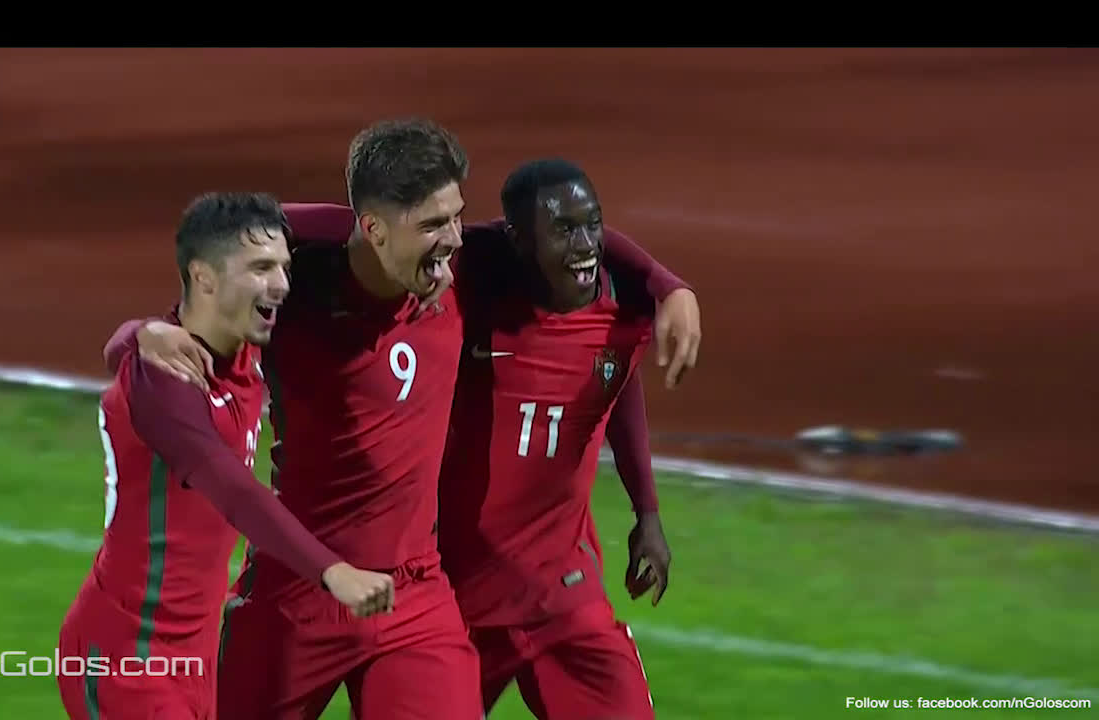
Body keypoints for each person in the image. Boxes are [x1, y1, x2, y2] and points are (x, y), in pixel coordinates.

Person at [101, 118, 700, 719]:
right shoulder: (297, 293)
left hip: (413, 596)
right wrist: (140, 332)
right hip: (296, 591)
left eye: (456, 218)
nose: (456, 240)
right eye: (434, 225)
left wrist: (668, 284)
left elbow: (576, 235)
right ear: (372, 230)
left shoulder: (459, 276)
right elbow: (224, 271)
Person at [57, 192, 394, 720]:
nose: (282, 284)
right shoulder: (163, 380)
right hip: (127, 654)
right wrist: (333, 572)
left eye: (283, 265)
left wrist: (402, 231)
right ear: (204, 277)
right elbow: (229, 487)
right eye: (260, 268)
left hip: (197, 658)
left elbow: (348, 228)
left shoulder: (242, 344)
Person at [438, 158, 670, 718]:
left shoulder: (622, 315)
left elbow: (617, 382)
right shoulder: (469, 301)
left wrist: (648, 512)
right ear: (519, 239)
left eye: (593, 224)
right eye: (563, 230)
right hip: (453, 597)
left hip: (561, 590)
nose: (586, 245)